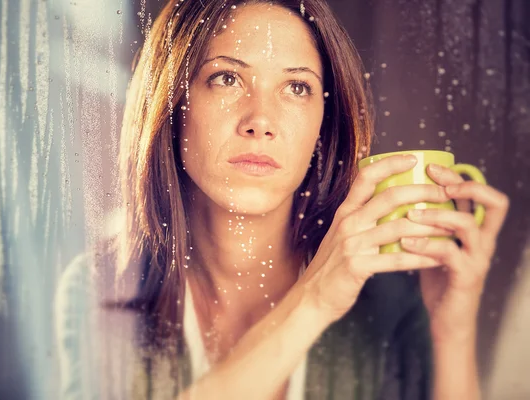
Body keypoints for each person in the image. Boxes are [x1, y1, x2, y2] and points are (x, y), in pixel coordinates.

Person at [55, 0, 510, 399]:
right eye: (227, 78)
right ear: (173, 103)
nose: (261, 120)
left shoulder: (389, 297)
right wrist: (314, 300)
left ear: (322, 127)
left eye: (296, 87)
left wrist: (452, 328)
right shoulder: (103, 288)